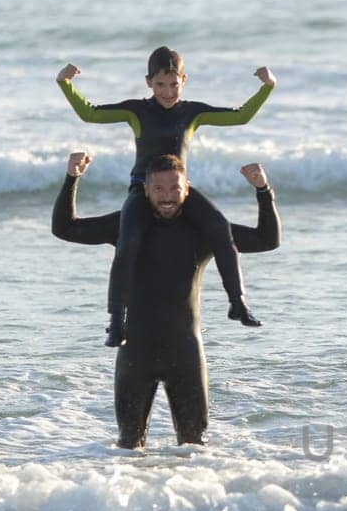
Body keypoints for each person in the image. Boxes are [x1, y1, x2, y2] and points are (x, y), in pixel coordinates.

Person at [51, 151, 280, 448]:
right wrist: (72, 178)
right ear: (144, 190)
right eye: (158, 189)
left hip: (185, 355)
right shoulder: (124, 226)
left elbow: (267, 240)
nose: (167, 196)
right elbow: (65, 228)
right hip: (135, 355)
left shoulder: (203, 232)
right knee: (128, 448)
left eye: (175, 188)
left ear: (187, 188)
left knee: (194, 447)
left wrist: (263, 191)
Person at [57, 47, 276, 346]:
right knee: (128, 239)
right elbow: (90, 113)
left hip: (179, 189)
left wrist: (267, 87)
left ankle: (237, 303)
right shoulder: (136, 111)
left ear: (183, 80)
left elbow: (240, 117)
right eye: (160, 85)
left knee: (219, 228)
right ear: (149, 82)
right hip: (142, 189)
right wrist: (65, 84)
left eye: (174, 84)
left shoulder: (193, 113)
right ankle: (116, 322)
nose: (168, 91)